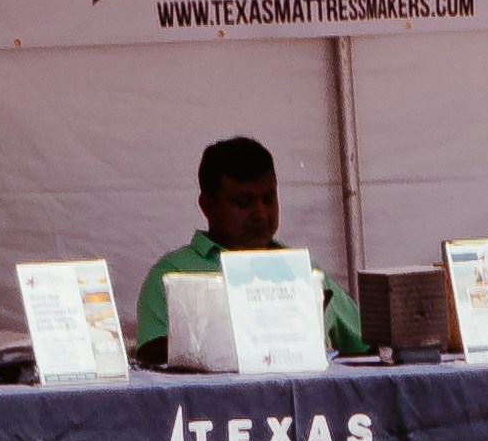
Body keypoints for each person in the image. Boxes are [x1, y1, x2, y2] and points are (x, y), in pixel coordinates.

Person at [127, 137, 370, 358]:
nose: (261, 214)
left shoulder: (304, 270)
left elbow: (368, 344)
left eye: (269, 198)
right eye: (243, 203)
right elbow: (151, 355)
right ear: (206, 205)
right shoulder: (171, 273)